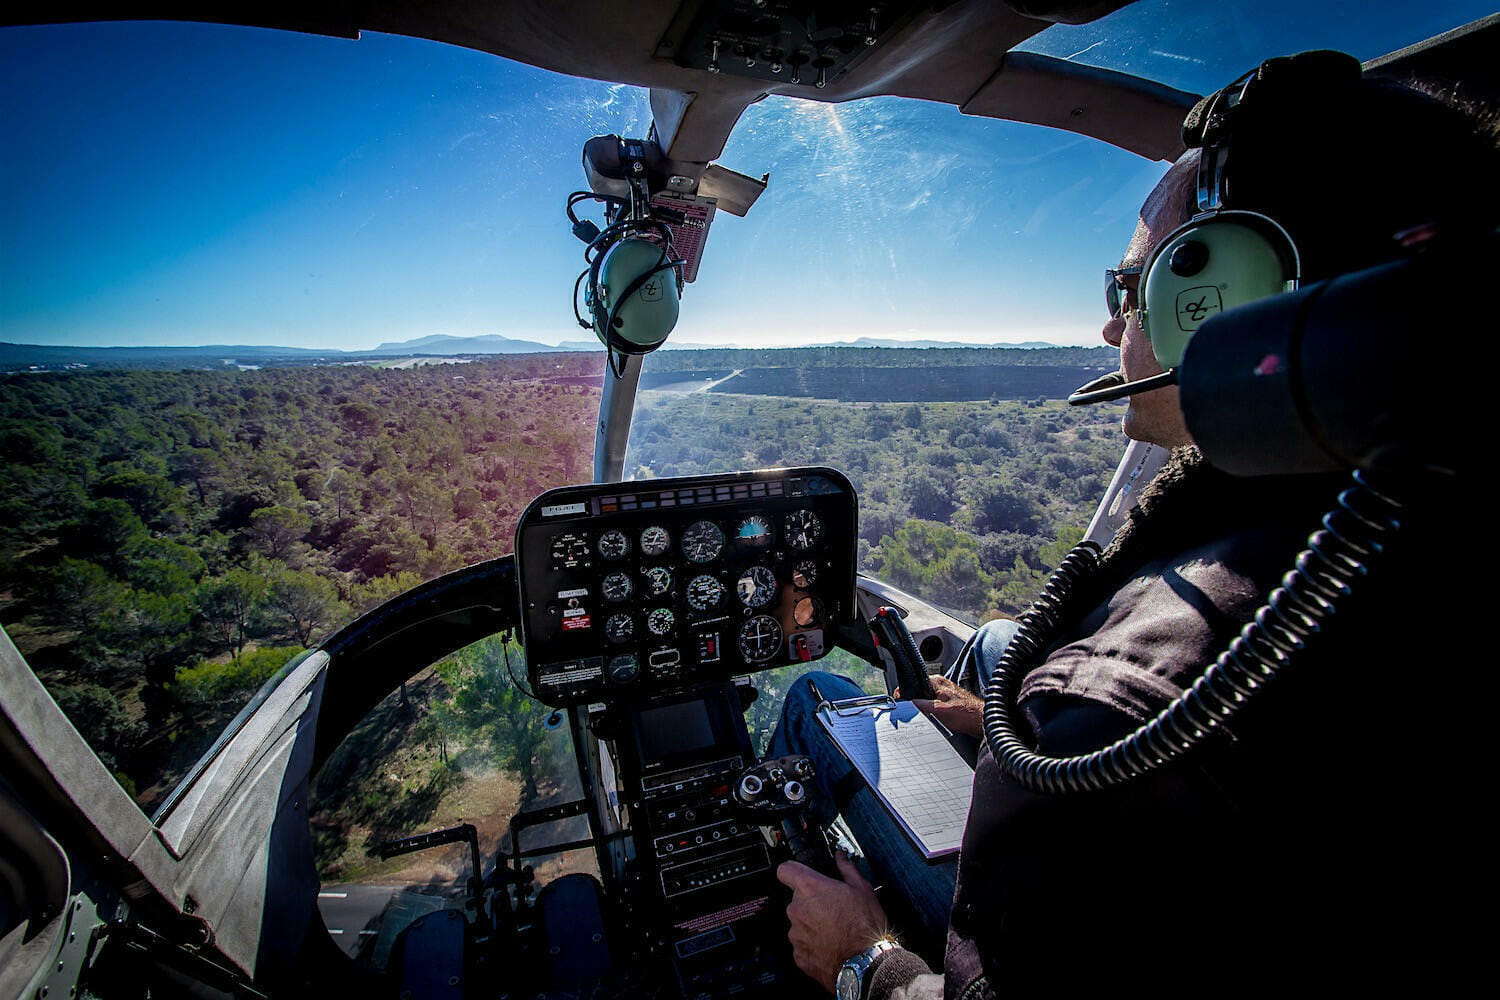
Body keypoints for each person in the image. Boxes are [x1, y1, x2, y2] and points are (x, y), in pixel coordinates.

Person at [772, 51, 1495, 997]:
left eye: (1131, 288)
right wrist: (1004, 738)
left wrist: (865, 959)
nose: (1111, 332)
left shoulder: (1117, 703)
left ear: (1230, 292)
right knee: (990, 645)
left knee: (817, 705)